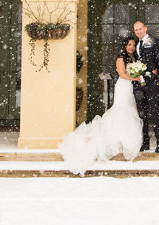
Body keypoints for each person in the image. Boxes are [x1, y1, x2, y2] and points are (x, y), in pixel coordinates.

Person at [59, 37, 143, 175]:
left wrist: (139, 75)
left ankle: (125, 137)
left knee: (130, 110)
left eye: (133, 45)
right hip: (124, 87)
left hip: (132, 88)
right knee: (122, 110)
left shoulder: (134, 58)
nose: (132, 47)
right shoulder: (121, 58)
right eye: (129, 45)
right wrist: (136, 78)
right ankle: (119, 138)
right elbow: (122, 74)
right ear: (125, 46)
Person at [132, 20, 159, 153]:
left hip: (152, 83)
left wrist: (158, 80)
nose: (138, 31)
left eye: (140, 29)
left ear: (145, 29)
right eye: (135, 30)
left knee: (155, 113)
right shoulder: (135, 44)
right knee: (142, 114)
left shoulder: (155, 41)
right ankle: (145, 143)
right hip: (139, 85)